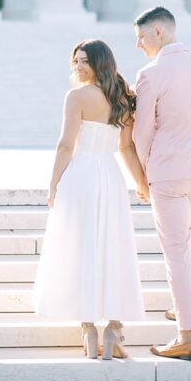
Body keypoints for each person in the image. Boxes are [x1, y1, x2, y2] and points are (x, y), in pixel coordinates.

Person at [32, 39, 147, 360]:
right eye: (76, 61)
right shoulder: (122, 97)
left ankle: (90, 329)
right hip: (109, 176)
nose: (78, 67)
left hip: (80, 176)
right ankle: (113, 330)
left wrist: (53, 183)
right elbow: (124, 147)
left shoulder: (77, 96)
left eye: (84, 61)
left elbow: (65, 145)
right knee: (112, 246)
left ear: (99, 62)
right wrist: (140, 182)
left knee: (82, 247)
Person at [132, 6, 191, 363]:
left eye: (140, 37)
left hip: (169, 170)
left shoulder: (151, 73)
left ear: (158, 32)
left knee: (174, 251)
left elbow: (142, 133)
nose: (138, 45)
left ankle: (186, 336)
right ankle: (183, 309)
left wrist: (142, 176)